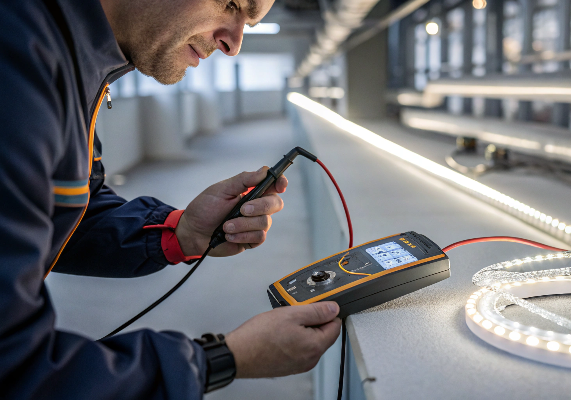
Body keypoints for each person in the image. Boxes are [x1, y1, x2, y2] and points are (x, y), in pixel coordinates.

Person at [0, 0, 342, 398]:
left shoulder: (73, 58)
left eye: (248, 23)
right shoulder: (18, 55)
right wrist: (221, 359)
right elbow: (13, 369)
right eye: (231, 3)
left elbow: (66, 211)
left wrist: (183, 231)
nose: (233, 45)